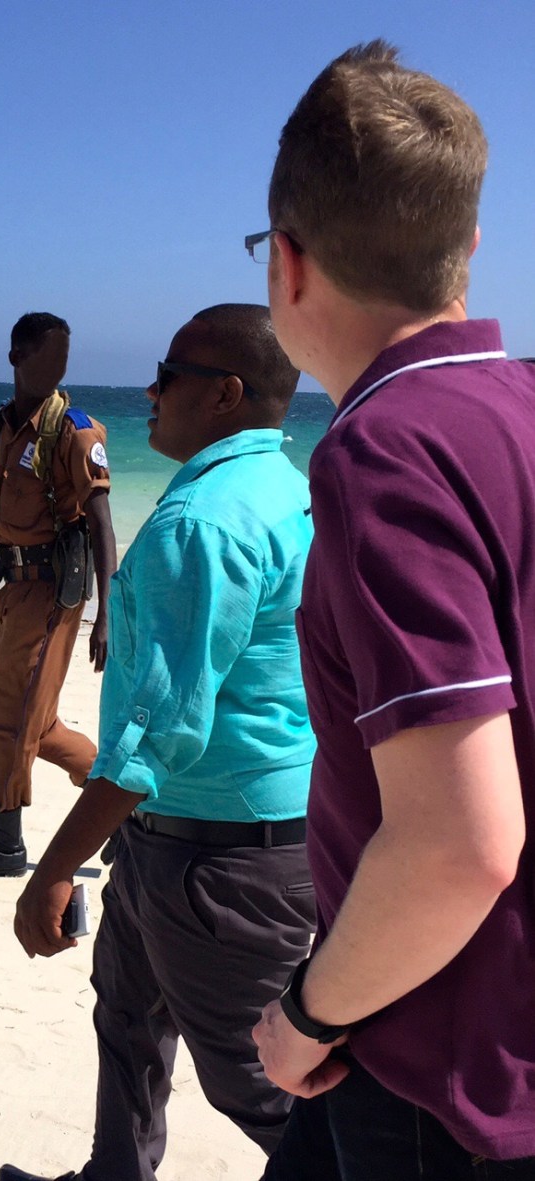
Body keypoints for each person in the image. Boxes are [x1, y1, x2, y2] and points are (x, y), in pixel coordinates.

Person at [249, 40, 535, 1179]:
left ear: (286, 264)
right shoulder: (518, 408)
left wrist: (307, 1014)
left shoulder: (384, 451)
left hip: (436, 1060)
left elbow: (460, 842)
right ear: (467, 246)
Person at [2, 303, 317, 1181]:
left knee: (260, 1082)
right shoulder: (284, 485)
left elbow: (158, 736)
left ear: (223, 393)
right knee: (126, 1020)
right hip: (196, 834)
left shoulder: (203, 522)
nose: (149, 390)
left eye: (168, 374)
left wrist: (53, 866)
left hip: (219, 859)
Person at [0, 312, 117, 878]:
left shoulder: (75, 431)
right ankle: (129, 804)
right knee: (31, 724)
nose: (59, 368)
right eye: (48, 356)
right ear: (16, 357)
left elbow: (102, 526)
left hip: (52, 597)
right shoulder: (7, 424)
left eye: (65, 357)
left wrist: (108, 614)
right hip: (16, 593)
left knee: (14, 720)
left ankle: (7, 844)